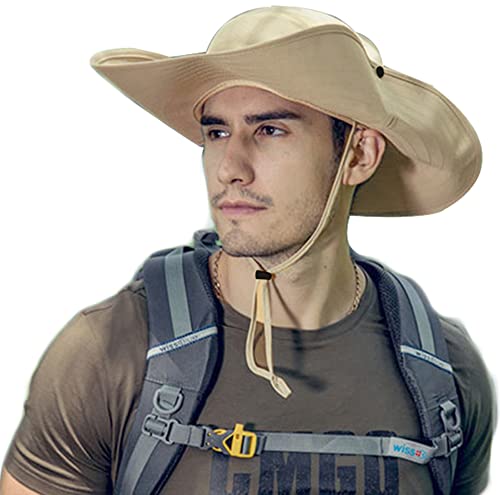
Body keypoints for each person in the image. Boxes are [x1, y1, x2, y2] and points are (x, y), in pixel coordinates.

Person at [0, 5, 495, 495]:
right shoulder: (111, 353)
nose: (229, 168)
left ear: (359, 154)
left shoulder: (445, 374)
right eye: (217, 132)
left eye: (269, 130)